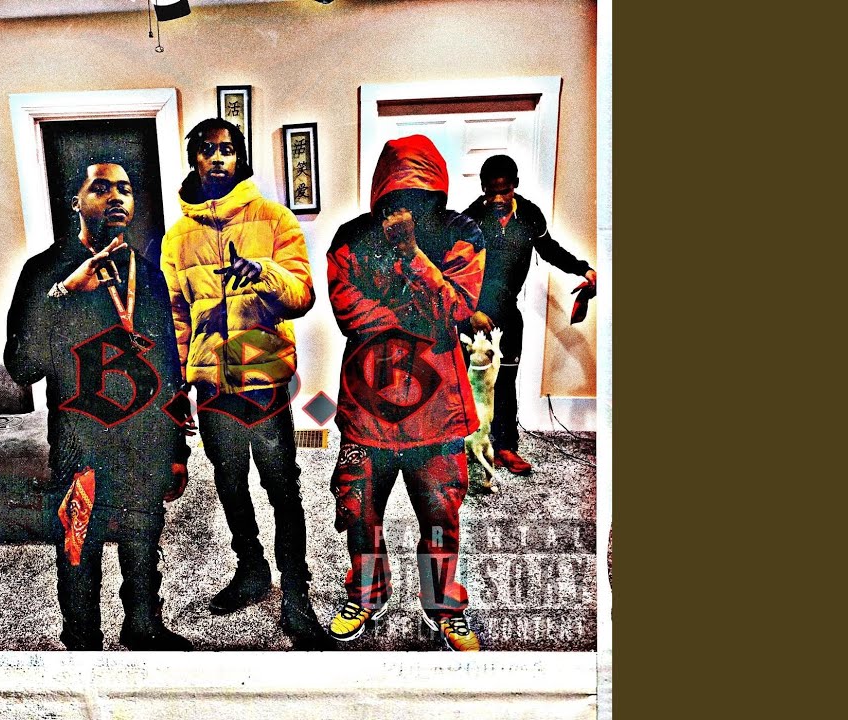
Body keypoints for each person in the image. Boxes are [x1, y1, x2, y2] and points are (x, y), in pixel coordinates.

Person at [4, 159, 194, 651]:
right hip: (80, 442)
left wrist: (177, 450)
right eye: (101, 188)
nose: (116, 198)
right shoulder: (43, 272)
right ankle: (81, 639)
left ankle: (143, 625)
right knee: (77, 543)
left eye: (124, 189)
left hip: (144, 438)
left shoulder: (147, 274)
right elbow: (22, 367)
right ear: (76, 201)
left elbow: (168, 365)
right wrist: (65, 293)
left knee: (143, 535)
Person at [159, 118, 330, 649]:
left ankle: (296, 592)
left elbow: (303, 296)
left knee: (282, 487)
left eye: (228, 149)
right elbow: (176, 318)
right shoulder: (176, 238)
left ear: (240, 158)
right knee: (229, 484)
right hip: (211, 387)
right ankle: (251, 569)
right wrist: (179, 385)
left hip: (264, 380)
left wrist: (264, 274)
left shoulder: (275, 219)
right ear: (194, 158)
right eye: (207, 150)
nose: (217, 158)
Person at [325, 134, 490, 651]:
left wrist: (412, 253)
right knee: (358, 510)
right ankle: (365, 596)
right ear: (380, 195)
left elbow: (455, 310)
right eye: (397, 198)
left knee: (441, 514)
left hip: (437, 413)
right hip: (366, 409)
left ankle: (443, 606)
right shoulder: (350, 237)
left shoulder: (461, 233)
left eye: (419, 198)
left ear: (437, 195)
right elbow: (348, 313)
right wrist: (414, 316)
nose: (406, 208)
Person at [463, 154, 598, 475]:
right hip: (475, 314)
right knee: (472, 383)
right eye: (491, 192)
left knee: (506, 381)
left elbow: (549, 250)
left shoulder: (529, 216)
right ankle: (469, 447)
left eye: (505, 191)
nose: (498, 199)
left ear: (515, 185)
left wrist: (584, 269)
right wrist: (471, 311)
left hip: (508, 314)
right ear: (482, 188)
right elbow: (455, 270)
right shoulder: (470, 220)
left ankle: (505, 448)